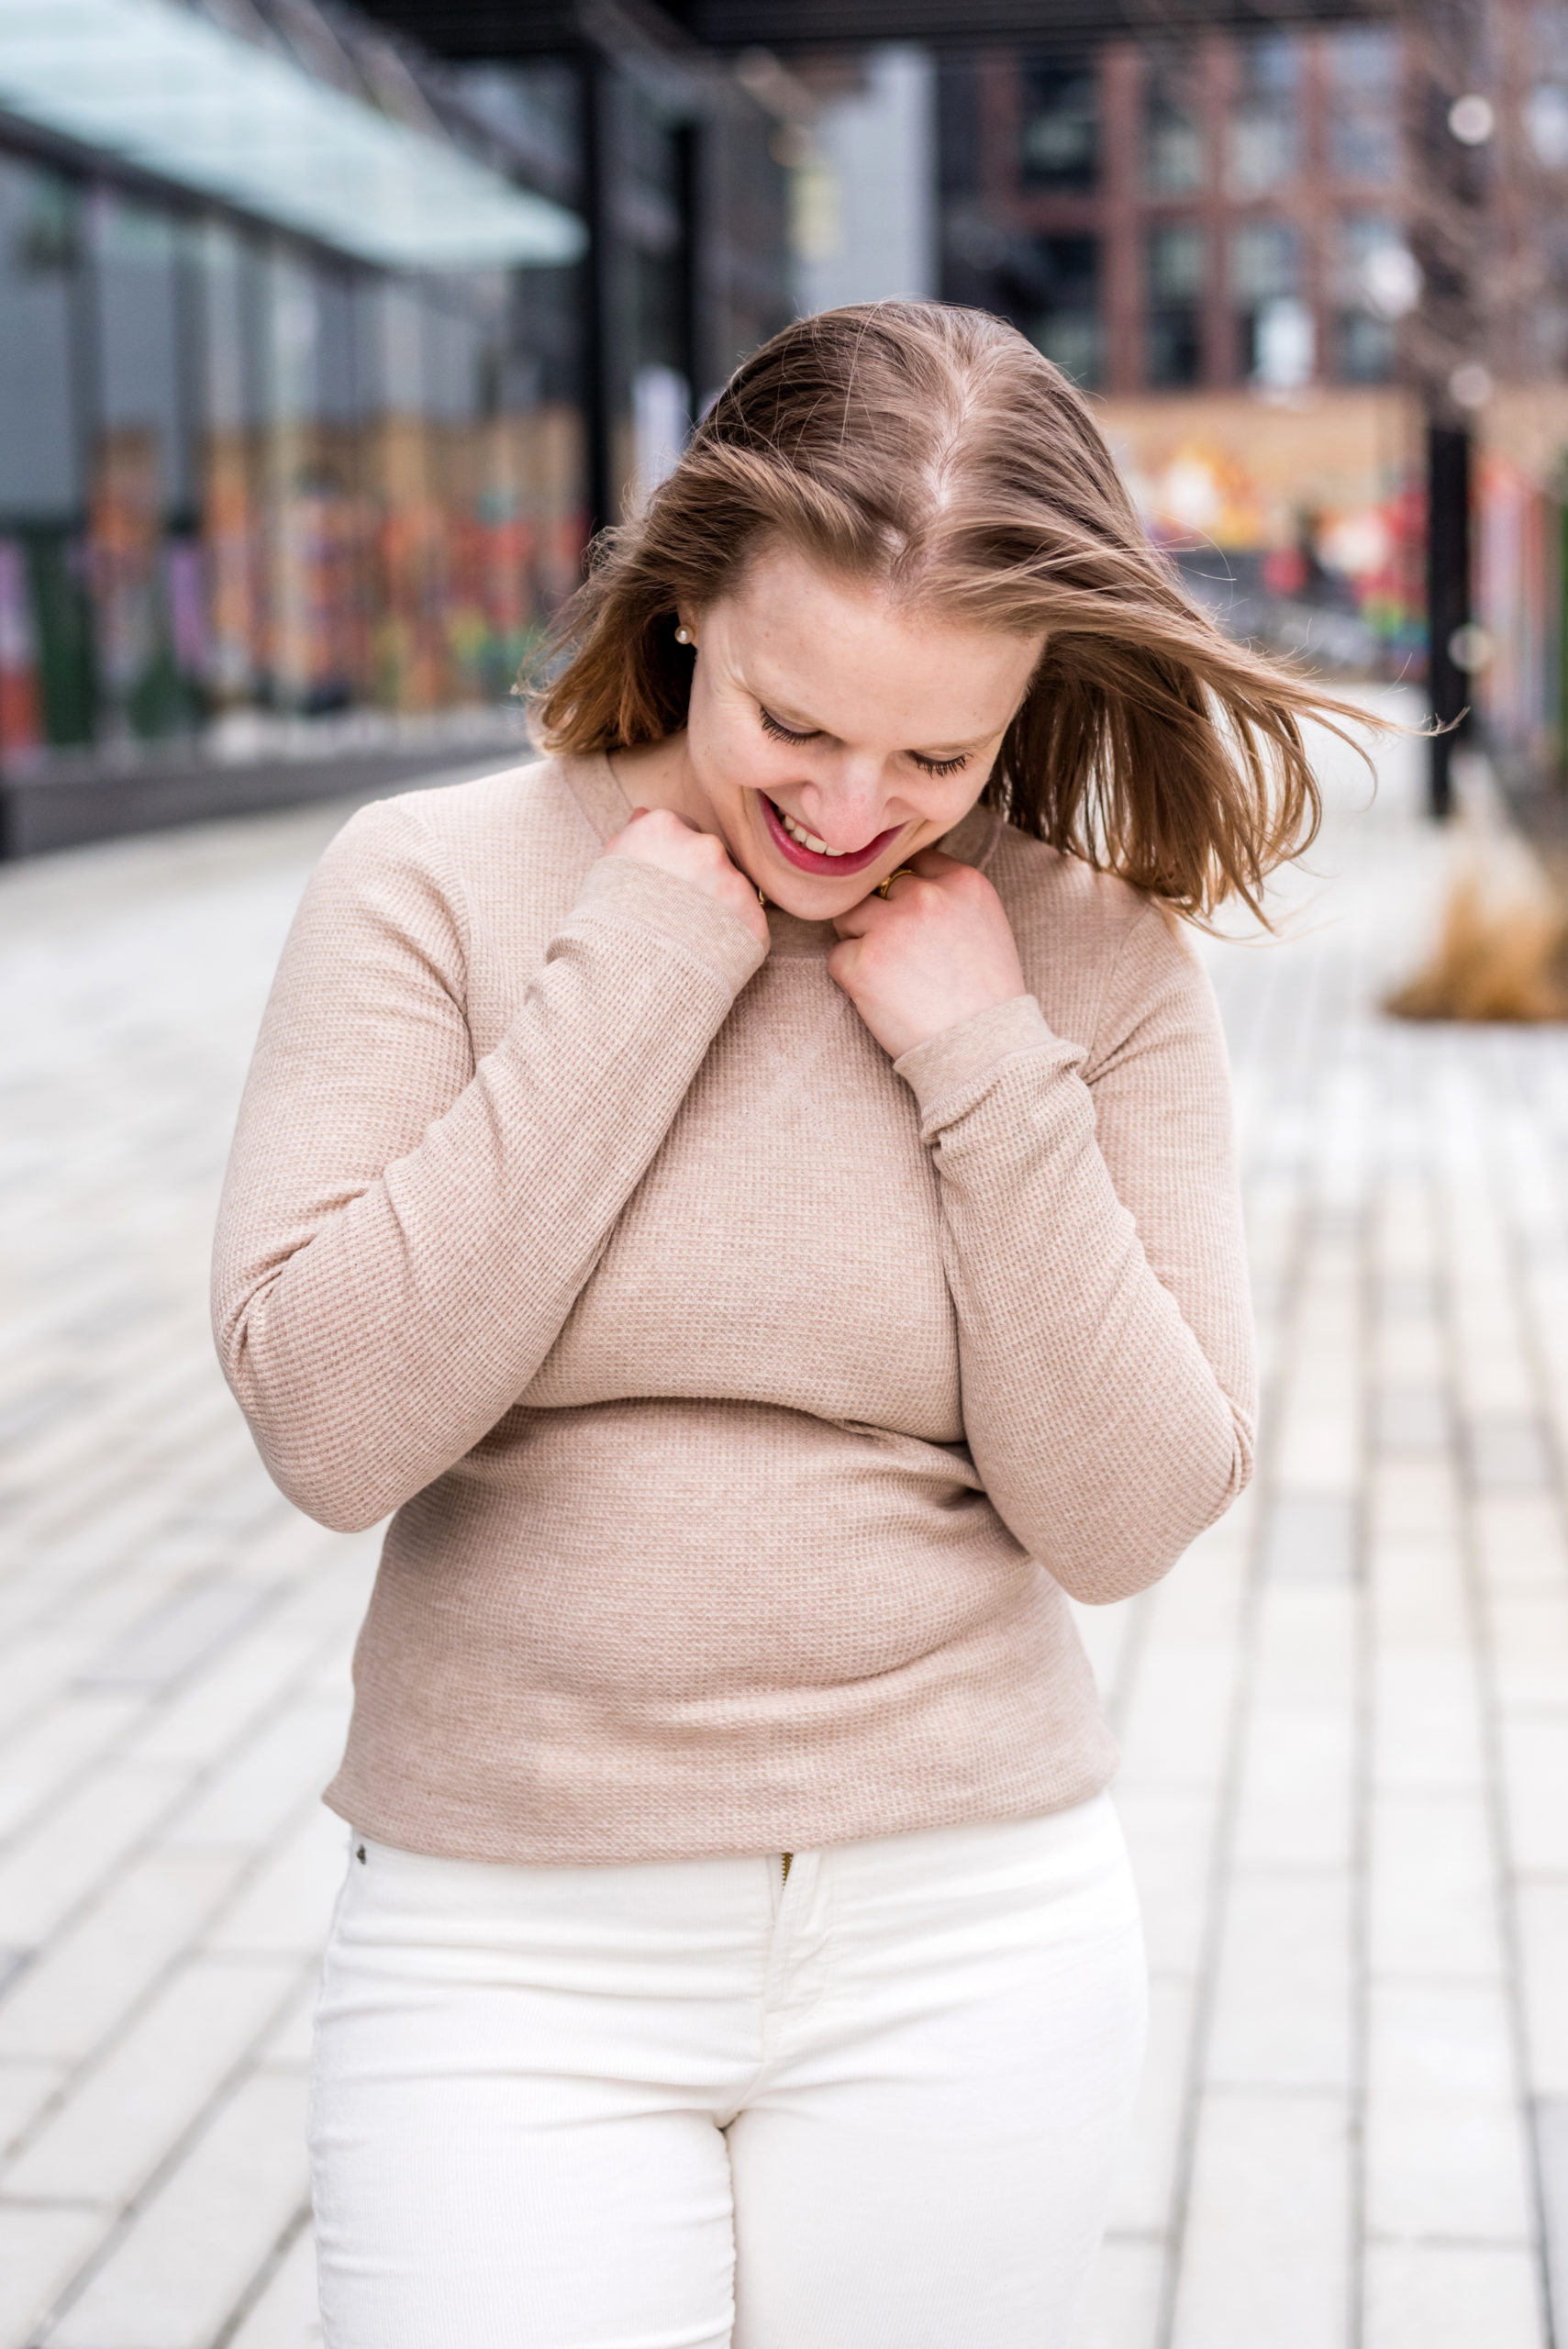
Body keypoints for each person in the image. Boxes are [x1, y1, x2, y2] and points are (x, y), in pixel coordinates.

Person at [213, 302, 1358, 2349]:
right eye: (792, 722)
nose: (850, 805)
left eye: (940, 753)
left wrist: (989, 1065)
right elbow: (329, 1418)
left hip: (969, 1932)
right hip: (507, 1939)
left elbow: (1127, 1512)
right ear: (684, 610)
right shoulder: (434, 885)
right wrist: (645, 956)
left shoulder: (1088, 949)